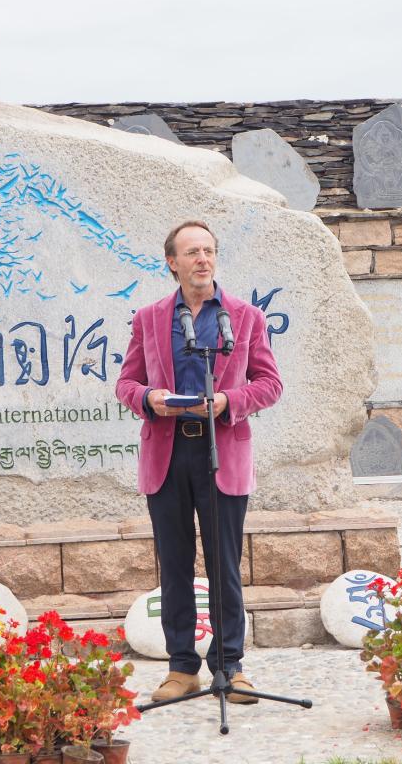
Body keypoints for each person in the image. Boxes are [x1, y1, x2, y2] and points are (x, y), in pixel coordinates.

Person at [115, 219, 283, 704]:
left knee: (224, 564)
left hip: (221, 451)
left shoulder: (244, 316)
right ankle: (182, 668)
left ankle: (229, 667)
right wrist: (149, 399)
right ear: (172, 262)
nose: (202, 259)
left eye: (208, 251)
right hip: (167, 453)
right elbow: (126, 383)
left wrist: (229, 401)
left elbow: (270, 384)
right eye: (192, 252)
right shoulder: (149, 318)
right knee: (174, 565)